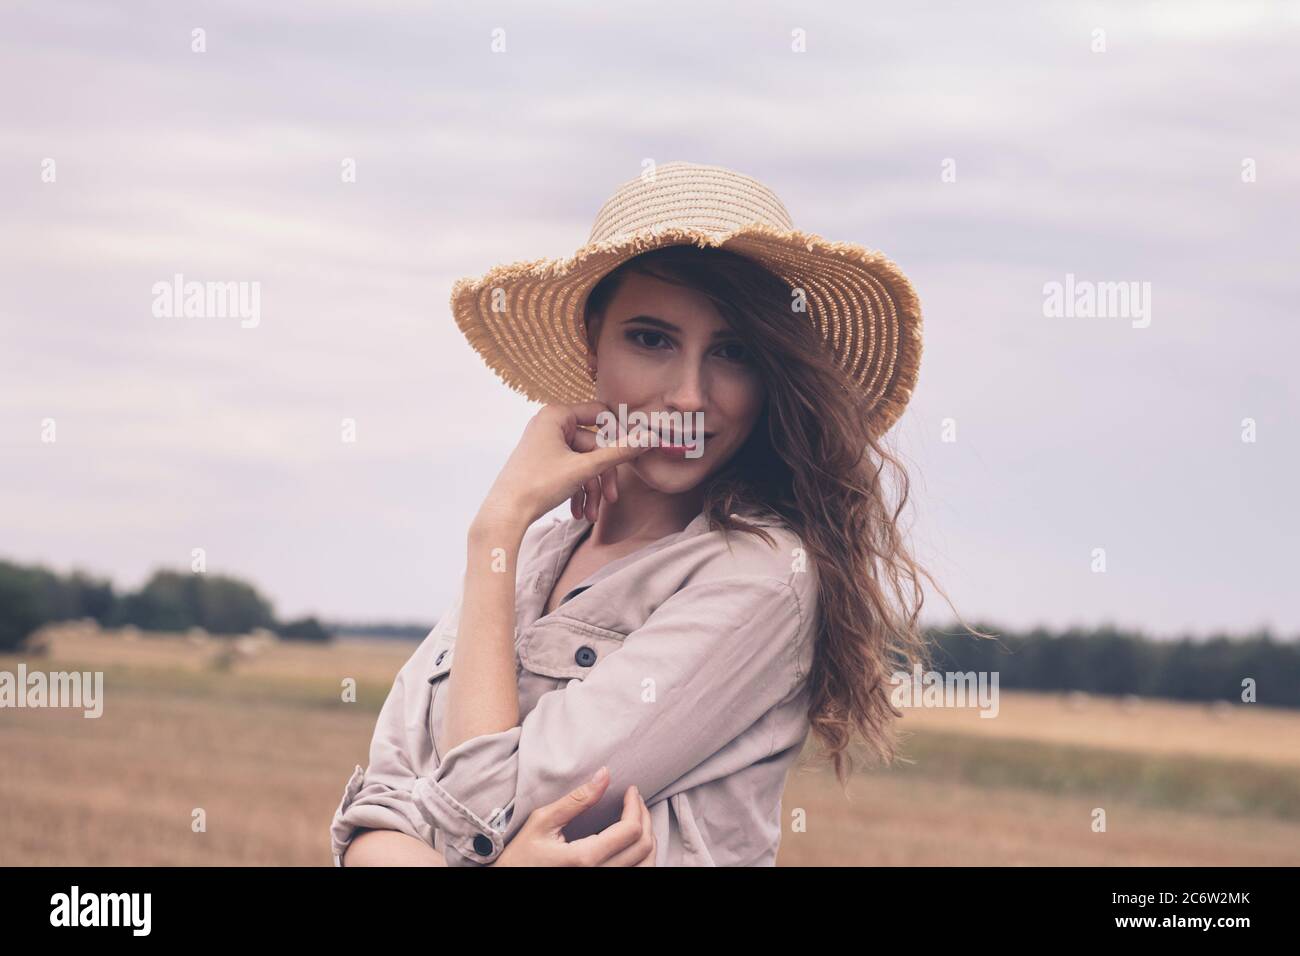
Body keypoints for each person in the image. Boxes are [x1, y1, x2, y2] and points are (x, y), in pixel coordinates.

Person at [331, 161, 982, 866]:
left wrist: (496, 525)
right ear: (593, 344)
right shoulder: (531, 556)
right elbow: (374, 817)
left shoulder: (762, 577)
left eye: (733, 353)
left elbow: (481, 809)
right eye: (651, 339)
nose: (689, 397)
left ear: (769, 378)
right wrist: (502, 535)